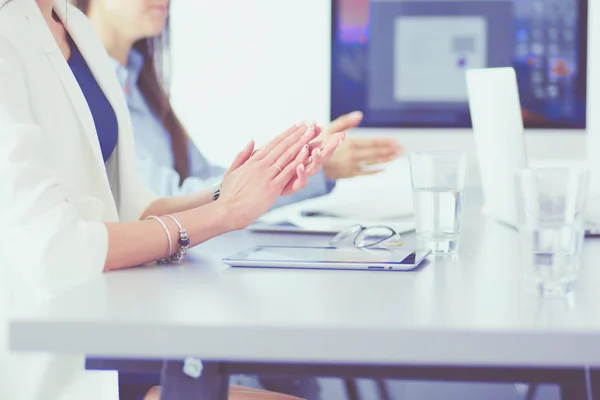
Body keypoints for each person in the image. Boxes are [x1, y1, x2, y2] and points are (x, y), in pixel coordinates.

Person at [0, 1, 344, 399]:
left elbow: (129, 208)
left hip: (116, 337)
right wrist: (221, 214)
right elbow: (56, 250)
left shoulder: (73, 26)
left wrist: (231, 193)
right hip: (53, 361)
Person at [73, 0, 403, 206]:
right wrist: (296, 169)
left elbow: (204, 177)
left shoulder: (139, 85)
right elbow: (163, 200)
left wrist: (304, 160)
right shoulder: (84, 87)